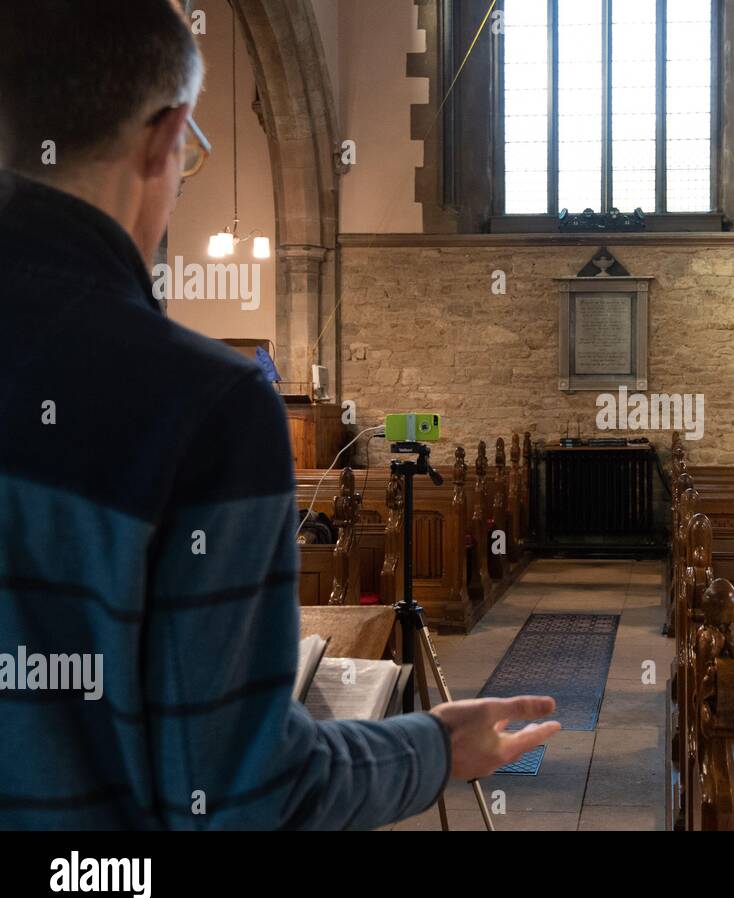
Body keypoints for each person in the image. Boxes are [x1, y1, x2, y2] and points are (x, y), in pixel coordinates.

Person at [0, 0, 559, 830]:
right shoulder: (200, 405)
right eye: (188, 160)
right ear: (166, 136)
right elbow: (242, 794)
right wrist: (435, 747)